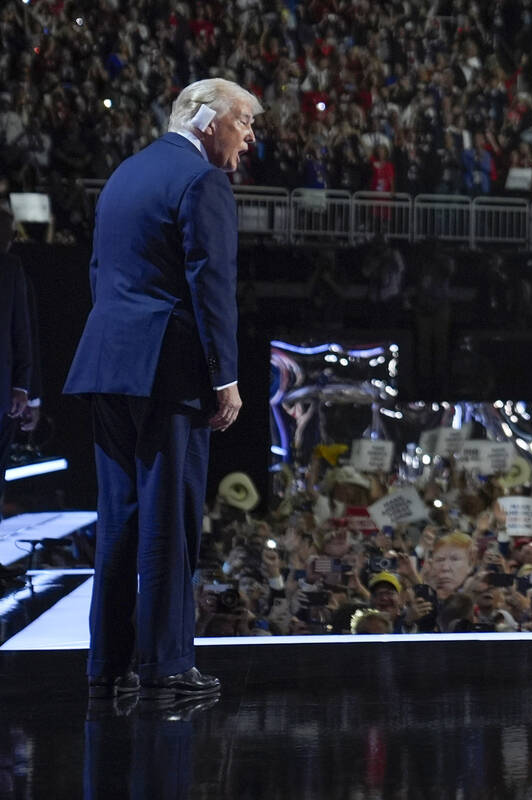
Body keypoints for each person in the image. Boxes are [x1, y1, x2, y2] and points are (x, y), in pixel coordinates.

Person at [64, 78, 260, 700]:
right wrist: (224, 377)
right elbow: (211, 283)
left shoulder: (125, 173)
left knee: (119, 518)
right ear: (207, 121)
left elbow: (101, 274)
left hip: (109, 365)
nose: (249, 139)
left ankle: (108, 667)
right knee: (170, 519)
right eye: (244, 124)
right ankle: (168, 667)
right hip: (169, 374)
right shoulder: (203, 181)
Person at [0, 207, 37, 515]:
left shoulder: (12, 269)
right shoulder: (11, 268)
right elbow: (22, 332)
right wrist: (22, 388)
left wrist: (22, 387)